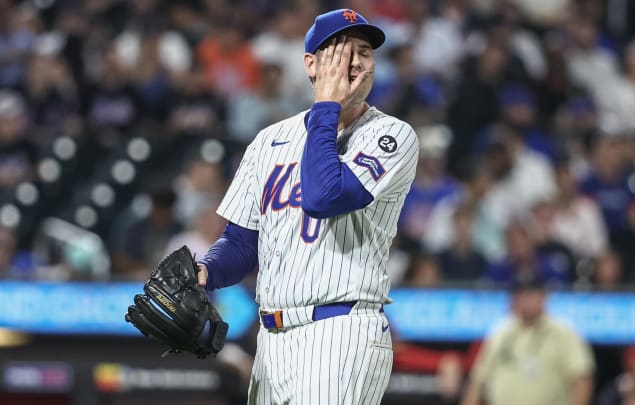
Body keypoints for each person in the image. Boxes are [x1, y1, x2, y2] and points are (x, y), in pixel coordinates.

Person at [194, 9, 419, 404]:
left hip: (341, 330)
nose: (354, 62)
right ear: (310, 64)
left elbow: (325, 197)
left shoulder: (391, 135)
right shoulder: (268, 141)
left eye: (364, 52)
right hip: (271, 339)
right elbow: (243, 242)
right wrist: (205, 272)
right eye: (339, 52)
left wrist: (326, 108)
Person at [460, 275, 595, 405]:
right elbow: (478, 382)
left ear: (544, 296)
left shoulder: (563, 333)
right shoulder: (501, 332)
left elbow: (582, 379)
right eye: (519, 295)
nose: (525, 300)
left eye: (530, 294)